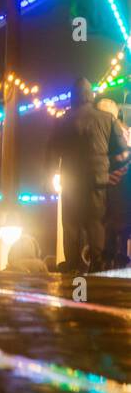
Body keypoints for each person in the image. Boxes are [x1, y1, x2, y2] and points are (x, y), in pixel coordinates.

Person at [47, 78, 129, 272]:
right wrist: (111, 171)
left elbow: (51, 153)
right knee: (95, 224)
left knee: (71, 226)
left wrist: (49, 177)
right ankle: (97, 262)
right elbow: (124, 152)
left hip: (71, 182)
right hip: (97, 181)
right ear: (90, 95)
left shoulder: (62, 121)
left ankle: (72, 265)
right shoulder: (107, 120)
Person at [96, 95, 131, 266]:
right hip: (123, 191)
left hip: (115, 191)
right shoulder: (125, 130)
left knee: (111, 229)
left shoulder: (112, 131)